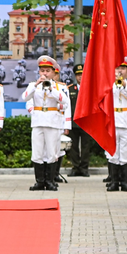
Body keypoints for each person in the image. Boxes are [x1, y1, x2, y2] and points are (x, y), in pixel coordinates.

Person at [22, 56, 66, 191]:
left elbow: (64, 102)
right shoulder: (33, 85)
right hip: (38, 121)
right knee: (37, 152)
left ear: (53, 72)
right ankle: (40, 181)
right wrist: (36, 85)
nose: (44, 74)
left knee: (52, 152)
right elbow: (25, 97)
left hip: (52, 122)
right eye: (42, 71)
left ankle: (50, 181)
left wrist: (51, 88)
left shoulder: (59, 86)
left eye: (47, 71)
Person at [105, 61, 127, 192]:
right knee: (113, 153)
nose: (120, 71)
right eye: (117, 68)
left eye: (123, 68)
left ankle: (124, 181)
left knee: (126, 153)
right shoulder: (108, 84)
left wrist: (125, 85)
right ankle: (114, 181)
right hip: (112, 121)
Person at [67, 64, 93, 177]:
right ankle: (75, 167)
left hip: (87, 122)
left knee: (86, 146)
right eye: (78, 75)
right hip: (74, 122)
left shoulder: (91, 89)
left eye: (82, 74)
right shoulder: (70, 89)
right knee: (73, 146)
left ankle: (84, 168)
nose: (80, 77)